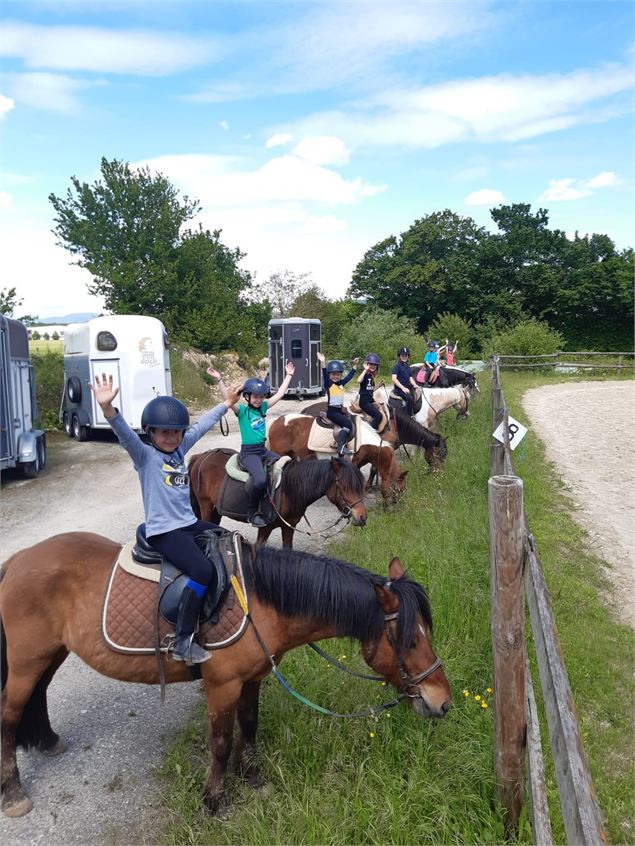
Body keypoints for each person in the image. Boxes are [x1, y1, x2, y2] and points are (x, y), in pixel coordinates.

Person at [89, 373, 242, 665]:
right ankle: (183, 640)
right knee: (202, 571)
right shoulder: (145, 456)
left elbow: (202, 425)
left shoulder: (179, 450)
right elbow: (125, 435)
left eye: (176, 433)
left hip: (187, 523)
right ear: (150, 432)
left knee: (228, 537)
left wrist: (226, 404)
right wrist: (108, 409)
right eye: (164, 433)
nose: (172, 438)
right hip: (164, 531)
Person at [208, 362, 295, 528]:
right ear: (247, 397)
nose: (259, 400)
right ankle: (252, 512)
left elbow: (280, 394)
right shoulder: (242, 411)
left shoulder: (263, 407)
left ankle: (273, 502)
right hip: (249, 453)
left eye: (261, 396)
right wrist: (219, 379)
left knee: (287, 465)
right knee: (260, 480)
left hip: (263, 451)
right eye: (255, 397)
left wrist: (289, 375)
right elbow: (228, 399)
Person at [317, 351, 359, 456]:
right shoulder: (329, 384)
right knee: (348, 424)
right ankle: (340, 447)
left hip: (339, 411)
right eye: (333, 374)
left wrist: (355, 366)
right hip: (332, 412)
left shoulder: (340, 384)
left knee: (350, 419)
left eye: (338, 374)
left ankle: (343, 442)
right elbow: (324, 374)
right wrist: (323, 363)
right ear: (329, 375)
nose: (336, 376)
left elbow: (349, 377)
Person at [357, 353, 383, 430]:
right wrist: (365, 370)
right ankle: (371, 430)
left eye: (375, 365)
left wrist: (379, 385)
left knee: (384, 407)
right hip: (364, 401)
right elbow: (358, 380)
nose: (373, 366)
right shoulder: (365, 374)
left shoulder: (371, 376)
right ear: (367, 364)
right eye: (371, 364)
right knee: (378, 416)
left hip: (370, 400)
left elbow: (371, 389)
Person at [391, 347, 418, 415]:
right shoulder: (397, 366)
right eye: (403, 355)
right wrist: (403, 388)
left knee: (418, 394)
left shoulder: (408, 367)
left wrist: (415, 384)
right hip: (399, 389)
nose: (404, 357)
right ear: (400, 356)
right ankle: (408, 416)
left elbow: (410, 378)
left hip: (408, 387)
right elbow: (394, 379)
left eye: (406, 355)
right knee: (409, 398)